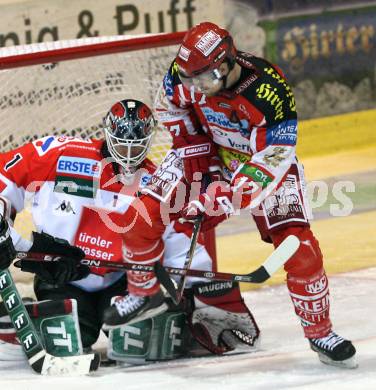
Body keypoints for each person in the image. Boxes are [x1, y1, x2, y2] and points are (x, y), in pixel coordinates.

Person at [107, 22, 356, 368]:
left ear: (224, 66)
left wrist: (229, 195)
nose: (194, 88)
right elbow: (171, 108)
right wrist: (197, 155)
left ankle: (319, 332)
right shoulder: (187, 75)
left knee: (301, 249)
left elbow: (275, 154)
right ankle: (143, 293)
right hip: (208, 151)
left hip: (259, 164)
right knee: (140, 217)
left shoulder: (269, 91)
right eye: (188, 79)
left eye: (201, 81)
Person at [0, 98, 259, 359]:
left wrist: (198, 289)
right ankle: (24, 316)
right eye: (123, 144)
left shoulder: (156, 186)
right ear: (108, 132)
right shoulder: (59, 154)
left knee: (136, 343)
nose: (128, 154)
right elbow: (6, 176)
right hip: (60, 275)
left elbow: (178, 240)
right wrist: (15, 239)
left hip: (120, 283)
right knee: (69, 337)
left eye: (136, 147)